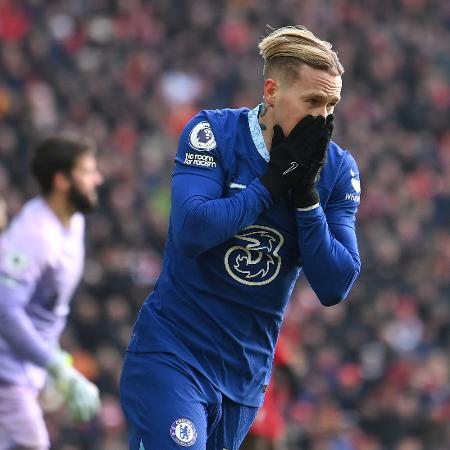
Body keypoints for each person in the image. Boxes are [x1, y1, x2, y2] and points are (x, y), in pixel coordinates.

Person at [120, 25, 362, 450]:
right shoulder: (213, 133)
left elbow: (335, 283)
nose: (323, 118)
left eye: (331, 104)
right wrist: (271, 185)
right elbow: (193, 229)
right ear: (271, 92)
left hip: (244, 378)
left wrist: (305, 197)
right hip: (175, 353)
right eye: (312, 101)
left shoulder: (338, 171)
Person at [0, 135, 104, 450]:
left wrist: (53, 363)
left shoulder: (73, 223)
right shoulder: (35, 236)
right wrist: (57, 366)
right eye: (87, 172)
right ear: (61, 180)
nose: (97, 179)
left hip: (24, 371)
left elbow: (43, 308)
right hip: (6, 375)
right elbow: (6, 309)